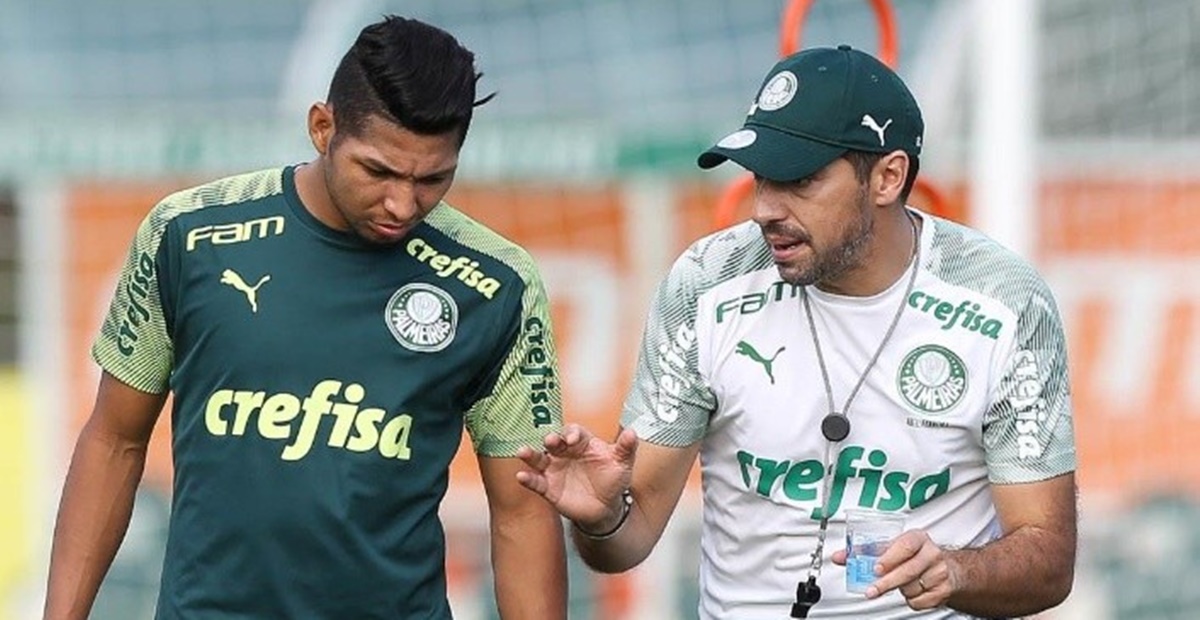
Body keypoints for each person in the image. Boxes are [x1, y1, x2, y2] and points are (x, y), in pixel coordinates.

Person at [516, 45, 1077, 619]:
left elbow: (1049, 561)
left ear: (888, 177)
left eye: (799, 181)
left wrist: (957, 571)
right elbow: (626, 542)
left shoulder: (1005, 300)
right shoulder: (707, 283)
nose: (764, 208)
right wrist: (601, 517)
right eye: (760, 178)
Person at [44, 15, 567, 620]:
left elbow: (522, 507)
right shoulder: (189, 235)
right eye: (378, 171)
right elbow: (113, 439)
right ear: (323, 127)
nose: (403, 203)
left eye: (433, 179)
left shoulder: (497, 282)